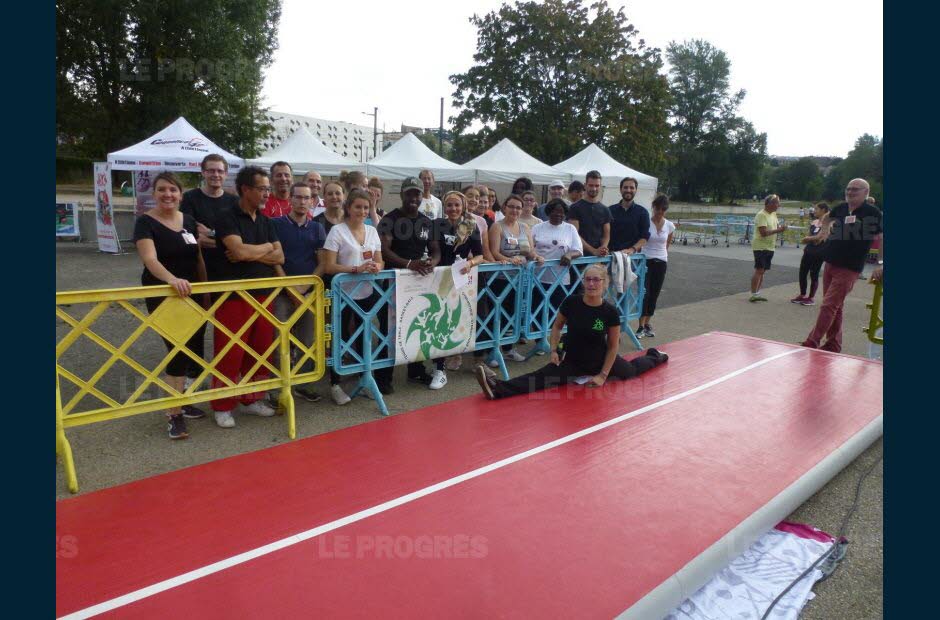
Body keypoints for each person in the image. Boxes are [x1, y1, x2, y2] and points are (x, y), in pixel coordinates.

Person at [475, 264, 669, 399]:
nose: (592, 284)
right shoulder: (572, 302)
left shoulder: (610, 312)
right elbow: (557, 327)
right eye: (588, 280)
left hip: (599, 360)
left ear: (605, 283)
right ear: (583, 282)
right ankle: (497, 388)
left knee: (631, 371)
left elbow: (612, 347)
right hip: (572, 360)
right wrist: (553, 351)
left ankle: (655, 356)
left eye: (596, 280)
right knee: (540, 378)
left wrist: (602, 375)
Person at [133, 172, 207, 439]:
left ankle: (184, 401)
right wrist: (172, 280)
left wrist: (206, 290)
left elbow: (197, 256)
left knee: (194, 349)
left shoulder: (187, 220)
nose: (168, 195)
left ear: (180, 194)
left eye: (173, 190)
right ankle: (173, 414)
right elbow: (150, 259)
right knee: (177, 351)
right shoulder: (145, 223)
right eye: (162, 190)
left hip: (193, 294)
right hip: (164, 293)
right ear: (154, 194)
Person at [210, 166, 284, 428]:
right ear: (246, 189)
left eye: (267, 189)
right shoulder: (226, 216)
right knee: (230, 351)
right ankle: (222, 404)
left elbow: (280, 256)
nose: (267, 193)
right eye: (262, 188)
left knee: (260, 350)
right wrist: (265, 249)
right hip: (233, 295)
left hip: (264, 294)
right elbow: (238, 252)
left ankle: (251, 399)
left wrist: (256, 251)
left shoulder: (265, 221)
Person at [179, 153, 239, 419]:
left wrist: (212, 235)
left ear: (226, 174)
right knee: (194, 330)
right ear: (202, 172)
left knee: (229, 332)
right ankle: (191, 384)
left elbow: (236, 238)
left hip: (228, 275)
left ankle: (226, 381)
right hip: (197, 274)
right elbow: (190, 236)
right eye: (211, 171)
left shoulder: (233, 201)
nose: (216, 175)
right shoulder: (190, 199)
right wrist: (222, 238)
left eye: (220, 171)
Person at [376, 176, 442, 391]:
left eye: (417, 193)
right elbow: (384, 250)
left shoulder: (427, 221)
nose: (414, 197)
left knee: (417, 325)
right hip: (393, 280)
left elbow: (435, 249)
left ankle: (415, 370)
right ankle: (383, 377)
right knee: (389, 329)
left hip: (418, 281)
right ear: (402, 194)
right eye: (409, 193)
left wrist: (433, 262)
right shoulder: (390, 219)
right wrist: (409, 263)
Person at [801, 179, 883, 352]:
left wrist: (881, 264)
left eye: (855, 189)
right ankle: (833, 344)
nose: (850, 191)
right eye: (848, 188)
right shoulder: (841, 208)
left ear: (865, 191)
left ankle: (812, 342)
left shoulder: (872, 212)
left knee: (828, 305)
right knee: (835, 307)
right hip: (831, 262)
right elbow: (825, 218)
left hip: (850, 267)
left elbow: (882, 237)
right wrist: (824, 231)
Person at [322, 189, 384, 404]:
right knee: (339, 338)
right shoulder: (337, 231)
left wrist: (376, 266)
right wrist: (356, 269)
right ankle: (335, 384)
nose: (362, 211)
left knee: (363, 336)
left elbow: (380, 260)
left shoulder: (372, 231)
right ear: (348, 208)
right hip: (343, 293)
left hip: (366, 292)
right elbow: (329, 266)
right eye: (358, 206)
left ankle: (363, 378)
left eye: (366, 207)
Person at [270, 182, 328, 402]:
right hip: (282, 292)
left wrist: (303, 289)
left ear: (312, 202)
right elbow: (275, 261)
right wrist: (290, 288)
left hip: (308, 293)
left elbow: (322, 263)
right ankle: (279, 387)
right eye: (299, 197)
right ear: (291, 199)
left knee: (307, 340)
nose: (303, 202)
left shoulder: (317, 228)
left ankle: (304, 384)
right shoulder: (276, 224)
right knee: (279, 341)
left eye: (307, 198)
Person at [430, 191, 486, 386]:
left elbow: (481, 255)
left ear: (463, 206)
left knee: (458, 319)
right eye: (449, 205)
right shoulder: (437, 224)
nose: (453, 209)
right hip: (439, 279)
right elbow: (432, 250)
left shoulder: (470, 226)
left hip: (461, 280)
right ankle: (439, 368)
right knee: (439, 321)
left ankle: (459, 355)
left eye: (457, 205)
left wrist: (471, 263)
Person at [489, 193, 543, 364]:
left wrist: (537, 257)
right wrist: (510, 260)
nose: (515, 210)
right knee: (498, 314)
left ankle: (508, 349)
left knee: (514, 314)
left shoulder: (525, 228)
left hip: (521, 279)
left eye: (518, 208)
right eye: (511, 206)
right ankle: (493, 351)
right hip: (500, 279)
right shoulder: (497, 227)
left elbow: (530, 251)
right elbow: (494, 252)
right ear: (504, 207)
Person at [531, 199, 583, 331]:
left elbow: (578, 250)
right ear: (548, 212)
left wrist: (569, 255)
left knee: (558, 311)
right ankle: (539, 340)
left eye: (561, 212)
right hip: (538, 277)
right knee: (538, 309)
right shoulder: (538, 227)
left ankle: (554, 338)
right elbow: (530, 248)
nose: (558, 214)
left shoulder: (570, 228)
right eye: (555, 211)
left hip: (560, 279)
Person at [635, 194, 675, 338]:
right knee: (644, 293)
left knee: (655, 294)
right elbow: (641, 240)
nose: (659, 212)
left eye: (663, 210)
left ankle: (647, 323)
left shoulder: (669, 225)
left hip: (661, 261)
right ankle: (640, 325)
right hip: (646, 261)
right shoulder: (647, 223)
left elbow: (667, 244)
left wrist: (663, 256)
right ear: (653, 208)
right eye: (657, 209)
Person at [790, 202, 830, 306]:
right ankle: (802, 294)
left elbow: (820, 238)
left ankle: (811, 297)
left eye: (816, 209)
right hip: (809, 250)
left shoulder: (829, 223)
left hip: (819, 252)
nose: (814, 211)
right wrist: (809, 239)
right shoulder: (814, 222)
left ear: (823, 210)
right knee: (802, 272)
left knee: (814, 273)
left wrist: (809, 239)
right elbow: (810, 237)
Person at [749, 194, 787, 302]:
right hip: (760, 246)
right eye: (776, 203)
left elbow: (776, 227)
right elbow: (763, 233)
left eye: (778, 202)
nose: (778, 205)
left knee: (763, 271)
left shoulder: (773, 214)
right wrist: (779, 230)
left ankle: (757, 292)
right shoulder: (761, 215)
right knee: (759, 270)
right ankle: (754, 293)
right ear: (769, 204)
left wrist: (782, 228)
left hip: (770, 246)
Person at [568, 171, 611, 257]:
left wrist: (603, 248)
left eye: (597, 186)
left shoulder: (605, 209)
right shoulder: (574, 208)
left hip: (598, 258)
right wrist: (593, 251)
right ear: (585, 185)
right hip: (579, 257)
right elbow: (574, 234)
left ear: (600, 186)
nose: (594, 189)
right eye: (591, 185)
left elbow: (606, 236)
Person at [608, 177, 650, 255]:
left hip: (632, 258)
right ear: (620, 189)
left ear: (636, 190)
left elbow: (644, 237)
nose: (628, 190)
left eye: (632, 188)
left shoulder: (643, 212)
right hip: (611, 256)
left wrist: (632, 249)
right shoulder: (610, 210)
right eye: (625, 187)